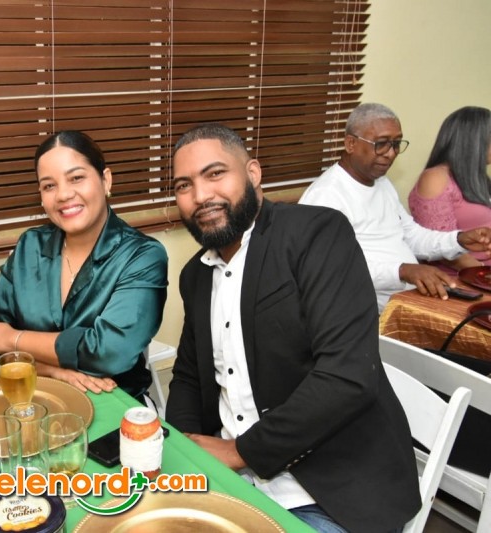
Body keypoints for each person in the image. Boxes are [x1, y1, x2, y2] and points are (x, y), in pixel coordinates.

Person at [166, 123, 420, 532]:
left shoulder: (317, 234)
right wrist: (182, 450)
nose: (200, 196)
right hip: (230, 482)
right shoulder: (196, 274)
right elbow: (189, 377)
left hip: (330, 492)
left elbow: (346, 377)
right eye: (184, 185)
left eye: (215, 174)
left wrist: (239, 452)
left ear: (252, 173)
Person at [0, 130, 168, 402]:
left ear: (105, 180)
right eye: (49, 186)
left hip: (113, 405)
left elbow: (110, 353)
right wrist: (55, 372)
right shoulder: (30, 246)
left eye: (76, 178)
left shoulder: (142, 255)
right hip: (34, 401)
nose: (64, 194)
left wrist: (12, 339)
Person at [299, 102, 491, 312]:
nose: (390, 153)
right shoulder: (326, 196)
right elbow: (332, 268)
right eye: (381, 144)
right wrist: (402, 271)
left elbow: (412, 236)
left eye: (396, 144)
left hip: (409, 299)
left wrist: (458, 240)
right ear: (350, 144)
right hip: (366, 313)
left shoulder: (382, 183)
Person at [409, 105, 491, 271]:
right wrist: (483, 274)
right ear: (474, 141)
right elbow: (443, 247)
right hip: (465, 277)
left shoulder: (478, 178)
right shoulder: (436, 178)